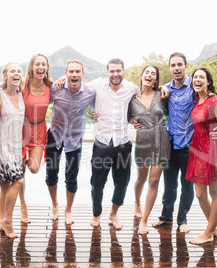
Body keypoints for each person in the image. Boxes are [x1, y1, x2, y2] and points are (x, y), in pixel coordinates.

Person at [153, 52, 217, 233]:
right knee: (169, 184)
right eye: (173, 65)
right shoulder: (166, 88)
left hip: (191, 145)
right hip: (170, 143)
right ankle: (166, 216)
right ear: (170, 68)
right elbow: (146, 96)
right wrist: (159, 88)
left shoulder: (194, 85)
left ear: (185, 66)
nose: (176, 68)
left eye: (179, 65)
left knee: (187, 185)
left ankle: (182, 219)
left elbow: (212, 100)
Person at [88, 58, 140, 230]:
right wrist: (92, 111)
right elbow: (79, 90)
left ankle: (113, 214)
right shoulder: (97, 85)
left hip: (123, 144)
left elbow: (147, 95)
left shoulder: (132, 88)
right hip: (102, 143)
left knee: (122, 183)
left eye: (118, 71)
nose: (115, 74)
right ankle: (97, 214)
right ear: (107, 72)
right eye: (112, 71)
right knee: (97, 183)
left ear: (123, 71)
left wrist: (134, 120)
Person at [46, 60, 95, 224]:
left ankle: (68, 210)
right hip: (54, 135)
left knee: (71, 177)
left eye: (77, 71)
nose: (74, 74)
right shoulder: (55, 89)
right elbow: (39, 95)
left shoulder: (90, 92)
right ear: (66, 73)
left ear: (83, 74)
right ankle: (55, 205)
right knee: (51, 174)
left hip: (75, 139)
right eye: (71, 71)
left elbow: (105, 100)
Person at [185, 67, 217, 244]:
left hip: (212, 150)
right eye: (195, 77)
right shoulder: (197, 100)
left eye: (202, 77)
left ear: (208, 81)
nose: (198, 79)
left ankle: (209, 233)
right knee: (200, 194)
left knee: (215, 192)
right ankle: (213, 226)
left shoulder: (215, 102)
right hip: (197, 150)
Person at [128, 65, 170, 234]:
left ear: (155, 79)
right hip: (143, 140)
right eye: (147, 72)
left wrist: (164, 87)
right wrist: (133, 122)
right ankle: (137, 202)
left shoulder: (162, 95)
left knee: (153, 181)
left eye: (153, 74)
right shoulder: (132, 98)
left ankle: (144, 220)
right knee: (141, 179)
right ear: (142, 75)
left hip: (161, 138)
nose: (150, 75)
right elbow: (127, 116)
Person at [0, 62, 25, 238]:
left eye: (19, 71)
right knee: (18, 181)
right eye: (12, 71)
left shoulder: (21, 93)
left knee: (5, 187)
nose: (16, 73)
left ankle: (1, 221)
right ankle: (8, 221)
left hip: (16, 147)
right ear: (5, 75)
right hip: (1, 146)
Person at [19, 53, 53, 223]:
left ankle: (22, 161)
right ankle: (23, 206)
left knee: (33, 167)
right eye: (37, 64)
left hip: (39, 129)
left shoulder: (51, 87)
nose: (41, 67)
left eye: (44, 64)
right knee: (20, 174)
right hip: (20, 129)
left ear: (47, 68)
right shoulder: (23, 84)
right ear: (32, 67)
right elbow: (6, 91)